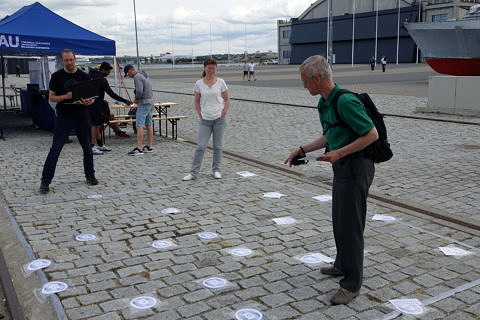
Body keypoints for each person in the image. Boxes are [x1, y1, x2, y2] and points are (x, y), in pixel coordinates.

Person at [284, 55, 378, 305]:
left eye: (305, 82)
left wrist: (340, 153)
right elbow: (329, 136)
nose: (304, 86)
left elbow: (371, 134)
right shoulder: (324, 103)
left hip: (357, 167)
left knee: (351, 226)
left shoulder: (345, 101)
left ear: (318, 78)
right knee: (340, 220)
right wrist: (302, 149)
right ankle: (341, 264)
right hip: (342, 167)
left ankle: (351, 284)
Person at [39, 49, 97, 194]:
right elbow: (51, 97)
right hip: (64, 117)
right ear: (62, 61)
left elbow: (92, 97)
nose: (69, 62)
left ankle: (90, 175)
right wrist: (65, 96)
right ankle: (45, 181)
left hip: (82, 116)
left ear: (75, 59)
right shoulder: (57, 76)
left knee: (88, 149)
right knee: (55, 149)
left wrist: (88, 102)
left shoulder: (84, 76)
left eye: (71, 60)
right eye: (66, 60)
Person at [182, 58, 230, 181]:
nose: (211, 70)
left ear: (216, 69)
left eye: (213, 68)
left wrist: (224, 111)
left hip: (219, 118)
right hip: (205, 119)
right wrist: (199, 113)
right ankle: (193, 172)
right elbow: (196, 101)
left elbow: (227, 99)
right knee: (201, 146)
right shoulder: (199, 83)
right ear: (204, 68)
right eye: (209, 68)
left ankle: (216, 170)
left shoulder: (221, 82)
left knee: (218, 146)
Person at [88, 62, 132, 154]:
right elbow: (111, 94)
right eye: (108, 71)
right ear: (103, 70)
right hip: (95, 105)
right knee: (94, 125)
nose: (109, 73)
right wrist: (124, 100)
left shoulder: (91, 75)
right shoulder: (102, 80)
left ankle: (100, 145)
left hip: (90, 104)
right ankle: (91, 146)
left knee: (97, 125)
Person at [124, 64, 154, 155]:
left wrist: (136, 99)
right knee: (149, 124)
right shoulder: (144, 74)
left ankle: (139, 148)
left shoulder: (137, 77)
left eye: (128, 74)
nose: (128, 76)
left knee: (139, 125)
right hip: (150, 102)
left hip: (143, 102)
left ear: (130, 71)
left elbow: (139, 91)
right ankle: (149, 146)